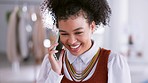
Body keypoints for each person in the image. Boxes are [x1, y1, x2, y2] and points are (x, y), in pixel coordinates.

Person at [37, 0, 131, 83]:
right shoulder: (50, 62)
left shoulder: (113, 62)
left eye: (78, 32)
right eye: (64, 34)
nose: (72, 41)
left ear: (92, 27)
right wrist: (55, 74)